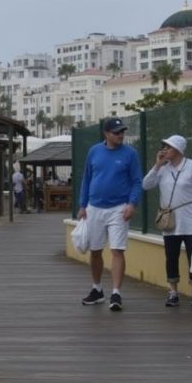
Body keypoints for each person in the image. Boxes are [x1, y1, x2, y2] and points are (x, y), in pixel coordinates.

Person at [78, 117, 143, 311]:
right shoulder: (94, 151)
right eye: (117, 132)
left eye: (122, 131)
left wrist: (132, 203)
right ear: (106, 134)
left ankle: (116, 293)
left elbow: (137, 181)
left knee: (117, 250)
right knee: (95, 251)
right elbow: (86, 179)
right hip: (94, 207)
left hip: (119, 208)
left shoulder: (130, 154)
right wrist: (82, 205)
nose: (121, 135)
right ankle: (97, 290)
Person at [141, 134, 192, 308]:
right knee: (170, 257)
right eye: (163, 146)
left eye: (168, 147)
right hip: (169, 222)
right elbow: (146, 185)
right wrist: (157, 164)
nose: (164, 150)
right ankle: (173, 292)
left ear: (178, 149)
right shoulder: (163, 169)